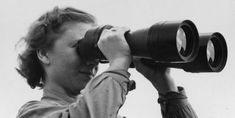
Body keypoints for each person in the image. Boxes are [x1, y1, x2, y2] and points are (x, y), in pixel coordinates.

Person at [16, 6, 198, 118]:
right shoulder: (33, 113)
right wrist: (119, 62)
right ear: (44, 54)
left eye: (97, 51)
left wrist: (167, 90)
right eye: (80, 47)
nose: (92, 60)